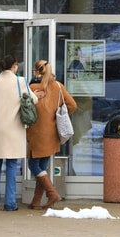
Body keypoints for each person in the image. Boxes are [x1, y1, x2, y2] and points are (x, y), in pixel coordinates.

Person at [0, 54, 37, 211]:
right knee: (12, 165)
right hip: (13, 129)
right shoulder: (20, 81)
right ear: (14, 66)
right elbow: (33, 99)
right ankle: (10, 203)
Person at [26, 60, 77, 209]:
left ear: (36, 72)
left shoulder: (32, 88)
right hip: (52, 132)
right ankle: (36, 202)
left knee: (33, 164)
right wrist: (57, 113)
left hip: (36, 132)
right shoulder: (58, 87)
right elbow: (72, 105)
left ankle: (52, 193)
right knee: (42, 166)